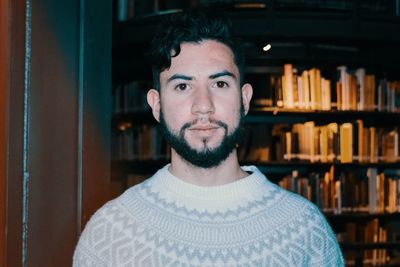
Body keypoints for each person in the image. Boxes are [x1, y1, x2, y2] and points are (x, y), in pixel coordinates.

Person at [73, 9, 344, 266]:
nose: (203, 105)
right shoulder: (108, 232)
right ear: (156, 105)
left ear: (245, 99)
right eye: (182, 86)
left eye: (220, 84)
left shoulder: (306, 230)